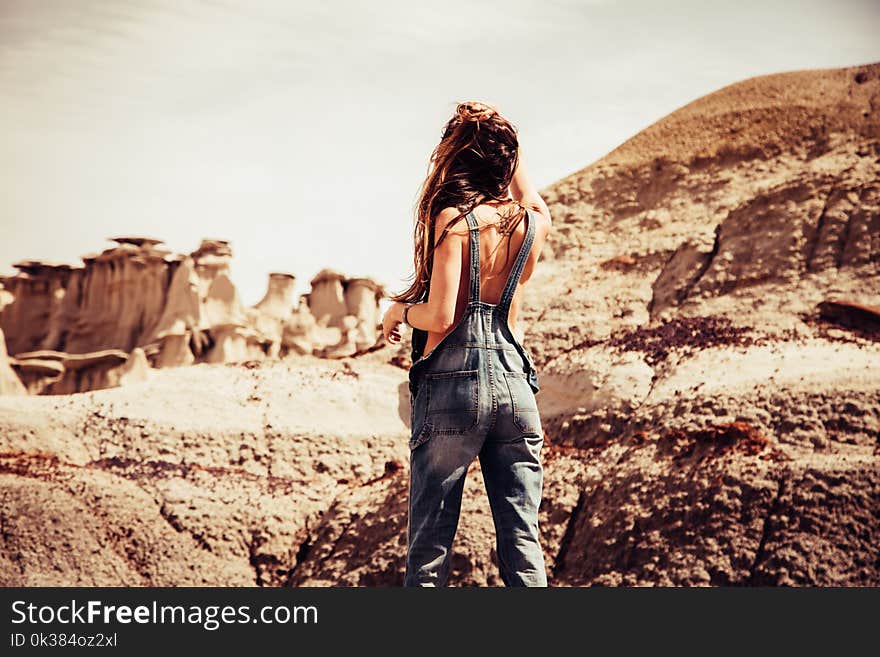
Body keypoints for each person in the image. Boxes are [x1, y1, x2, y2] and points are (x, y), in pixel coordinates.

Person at [382, 100, 553, 587]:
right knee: (522, 542)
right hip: (515, 382)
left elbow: (440, 314)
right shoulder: (532, 224)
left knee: (431, 548)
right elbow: (532, 195)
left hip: (454, 387)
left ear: (462, 162)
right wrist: (502, 135)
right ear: (505, 162)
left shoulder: (454, 219)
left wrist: (397, 312)